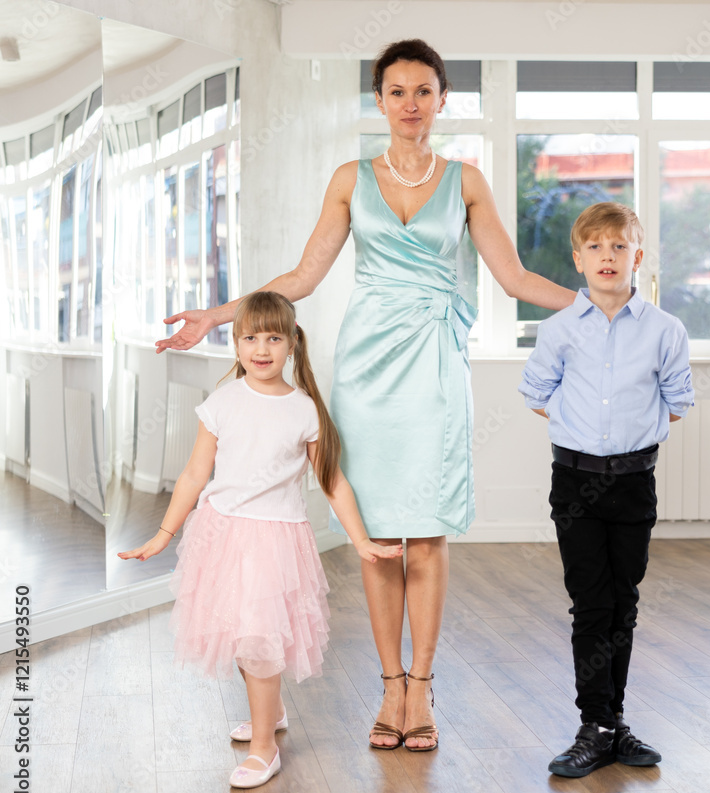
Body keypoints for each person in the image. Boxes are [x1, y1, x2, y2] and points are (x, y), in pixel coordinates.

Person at [152, 39, 576, 750]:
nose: (410, 104)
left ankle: (422, 688)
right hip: (366, 374)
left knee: (427, 535)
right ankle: (389, 686)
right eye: (397, 92)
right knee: (377, 538)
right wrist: (218, 316)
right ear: (379, 101)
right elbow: (303, 275)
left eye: (423, 91)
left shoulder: (467, 181)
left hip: (434, 371)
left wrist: (600, 306)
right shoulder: (350, 179)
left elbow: (515, 279)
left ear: (442, 99)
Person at [120, 292, 401, 788]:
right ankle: (268, 713)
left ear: (292, 343)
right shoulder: (222, 402)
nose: (262, 348)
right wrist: (164, 533)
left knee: (259, 638)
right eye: (250, 337)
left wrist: (361, 541)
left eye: (273, 337)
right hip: (222, 534)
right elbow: (194, 474)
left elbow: (333, 481)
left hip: (275, 541)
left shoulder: (304, 410)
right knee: (238, 633)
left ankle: (264, 748)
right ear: (236, 344)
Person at [518, 202, 694, 778]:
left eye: (619, 246)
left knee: (624, 604)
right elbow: (538, 394)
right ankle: (594, 723)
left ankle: (612, 725)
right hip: (575, 484)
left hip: (634, 483)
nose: (608, 256)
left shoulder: (666, 331)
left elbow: (676, 403)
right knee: (592, 604)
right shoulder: (559, 329)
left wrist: (628, 439)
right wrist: (583, 433)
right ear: (578, 259)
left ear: (637, 257)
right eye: (595, 247)